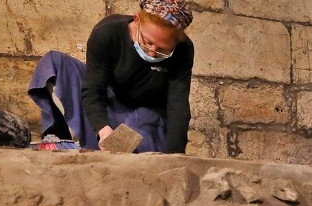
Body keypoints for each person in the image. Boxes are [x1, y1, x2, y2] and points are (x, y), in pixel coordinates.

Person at [29, 0, 194, 153]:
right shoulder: (108, 32)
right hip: (108, 99)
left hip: (145, 113)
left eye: (162, 49)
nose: (152, 52)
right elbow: (93, 89)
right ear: (137, 20)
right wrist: (103, 129)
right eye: (148, 42)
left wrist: (174, 156)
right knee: (54, 63)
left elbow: (178, 107)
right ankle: (63, 139)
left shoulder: (184, 50)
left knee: (137, 141)